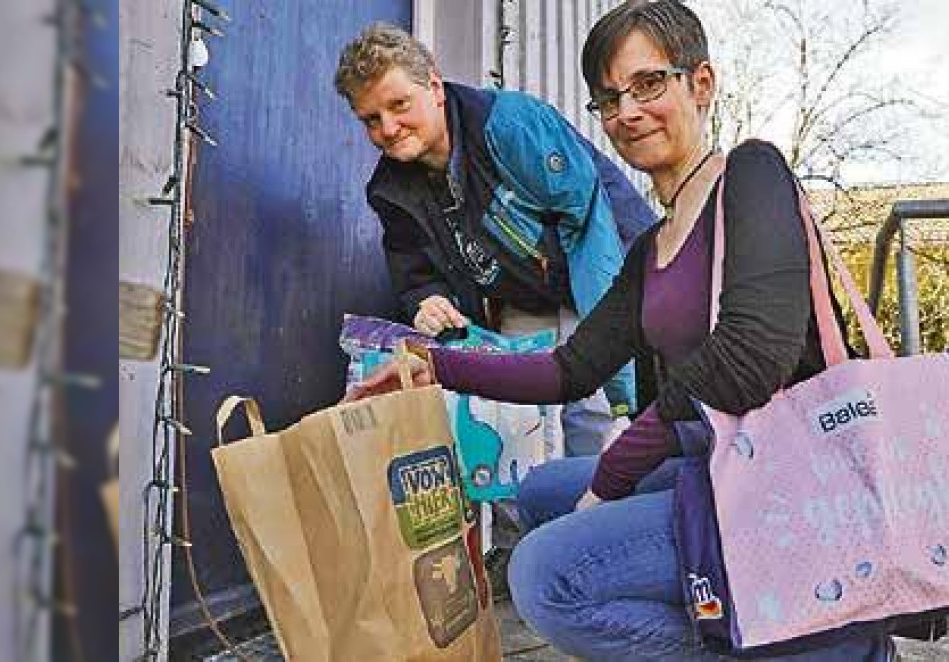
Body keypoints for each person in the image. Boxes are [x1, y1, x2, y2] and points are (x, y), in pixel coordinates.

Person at [346, 2, 895, 660]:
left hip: (788, 478)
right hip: (711, 466)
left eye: (648, 84)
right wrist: (433, 363)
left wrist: (610, 478)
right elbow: (568, 369)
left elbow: (749, 360)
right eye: (608, 98)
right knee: (542, 491)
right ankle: (745, 612)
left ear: (701, 85)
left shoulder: (751, 175)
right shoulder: (652, 248)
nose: (626, 111)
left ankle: (822, 645)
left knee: (544, 577)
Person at [334, 24, 656, 458]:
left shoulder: (510, 125)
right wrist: (428, 301)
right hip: (524, 295)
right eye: (371, 119)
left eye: (398, 105)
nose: (388, 128)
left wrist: (622, 387)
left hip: (604, 268)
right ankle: (530, 520)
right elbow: (416, 275)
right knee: (509, 416)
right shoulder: (390, 191)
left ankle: (595, 511)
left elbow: (590, 230)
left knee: (593, 411)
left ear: (434, 86)